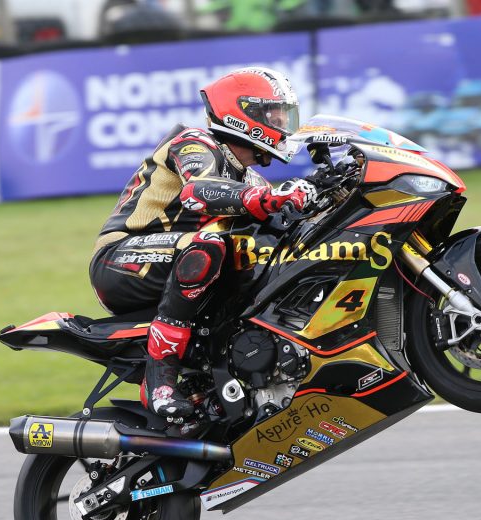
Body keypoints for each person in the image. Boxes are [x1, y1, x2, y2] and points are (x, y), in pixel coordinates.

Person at [90, 66, 315, 421]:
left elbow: (279, 222)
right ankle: (159, 378)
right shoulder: (195, 142)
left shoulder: (249, 177)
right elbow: (199, 191)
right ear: (244, 114)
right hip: (121, 258)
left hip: (178, 258)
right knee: (208, 245)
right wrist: (270, 199)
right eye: (273, 112)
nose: (281, 122)